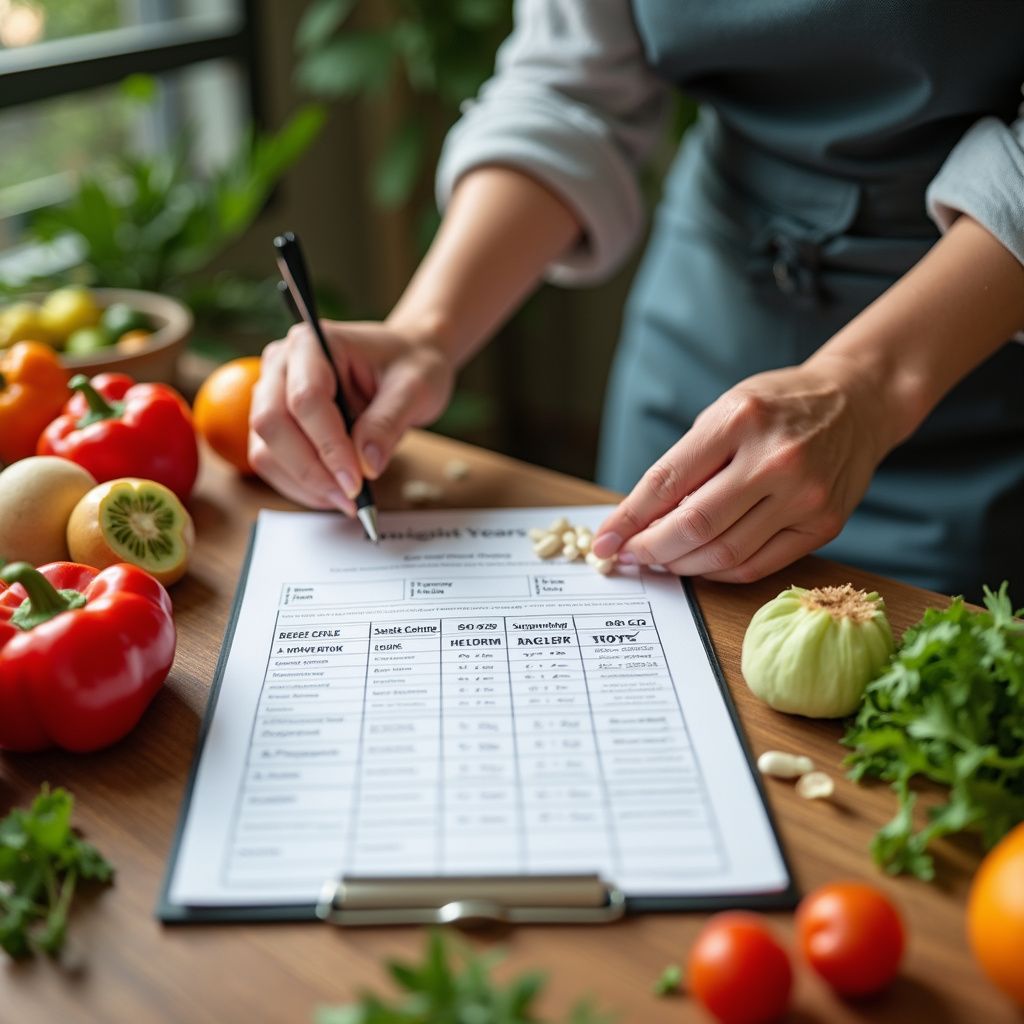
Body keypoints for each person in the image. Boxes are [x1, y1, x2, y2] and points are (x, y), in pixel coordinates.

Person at [249, 2, 1024, 598]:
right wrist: (425, 329)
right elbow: (573, 86)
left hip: (979, 334)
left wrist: (870, 387)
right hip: (710, 300)